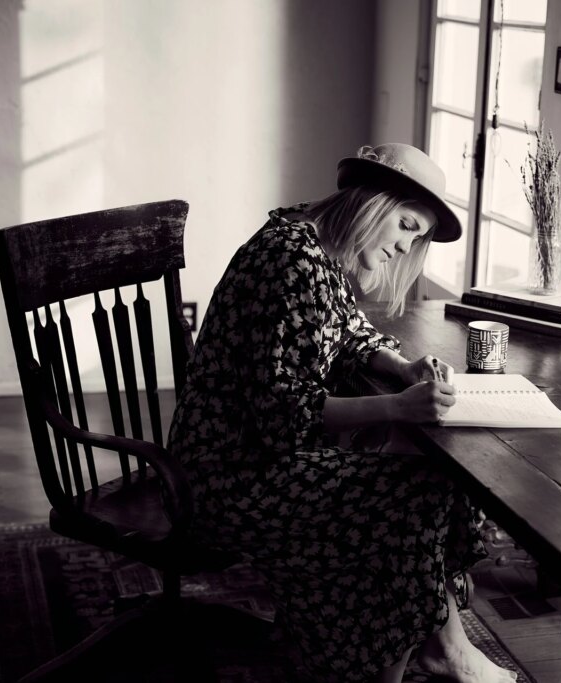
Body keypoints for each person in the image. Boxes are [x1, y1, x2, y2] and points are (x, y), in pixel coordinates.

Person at [167, 143, 518, 683]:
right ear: (373, 202)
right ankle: (410, 658)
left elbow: (345, 327)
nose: (406, 247)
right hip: (228, 476)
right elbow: (284, 416)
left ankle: (437, 646)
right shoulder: (291, 262)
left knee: (427, 482)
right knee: (412, 499)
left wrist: (401, 365)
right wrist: (397, 406)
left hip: (256, 458)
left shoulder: (310, 241)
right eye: (405, 226)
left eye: (416, 237)